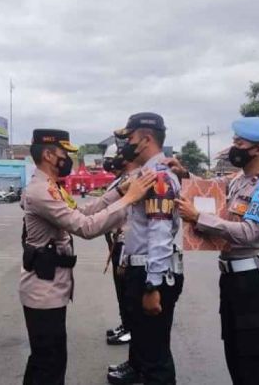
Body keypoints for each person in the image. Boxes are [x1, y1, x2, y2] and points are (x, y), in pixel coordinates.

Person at [20, 129, 155, 385]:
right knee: (47, 362)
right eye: (64, 153)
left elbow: (82, 211)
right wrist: (128, 199)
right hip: (42, 289)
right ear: (49, 155)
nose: (68, 159)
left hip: (51, 287)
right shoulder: (42, 191)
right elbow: (85, 227)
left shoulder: (51, 187)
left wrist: (118, 192)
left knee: (50, 359)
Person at [174, 116, 259, 385]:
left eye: (239, 143)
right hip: (232, 280)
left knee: (253, 362)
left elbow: (250, 233)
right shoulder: (238, 181)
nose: (233, 147)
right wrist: (185, 175)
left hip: (253, 284)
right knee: (234, 354)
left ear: (258, 149)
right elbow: (213, 197)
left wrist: (198, 217)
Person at [106, 112, 184, 385]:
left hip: (152, 272)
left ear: (146, 139)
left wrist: (153, 286)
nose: (124, 144)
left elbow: (160, 235)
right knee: (144, 343)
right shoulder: (145, 174)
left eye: (129, 138)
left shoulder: (158, 177)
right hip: (140, 268)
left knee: (155, 358)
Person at [102, 144, 134, 346]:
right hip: (115, 242)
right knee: (120, 289)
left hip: (126, 242)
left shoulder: (131, 181)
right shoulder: (118, 181)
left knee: (127, 289)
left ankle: (131, 328)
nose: (109, 163)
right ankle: (126, 323)